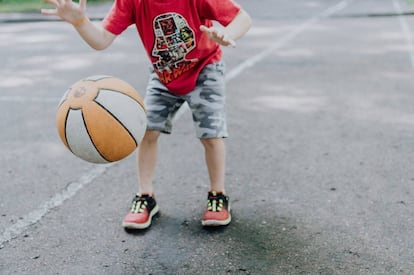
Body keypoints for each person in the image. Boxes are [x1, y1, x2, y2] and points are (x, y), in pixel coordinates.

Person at [42, 0, 252, 229]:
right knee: (147, 130)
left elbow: (243, 18)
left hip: (205, 68)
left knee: (211, 134)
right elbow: (101, 40)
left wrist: (226, 33)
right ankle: (145, 196)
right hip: (164, 75)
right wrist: (80, 22)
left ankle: (218, 195)